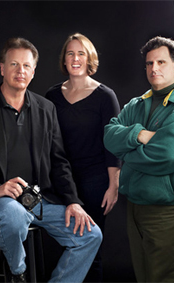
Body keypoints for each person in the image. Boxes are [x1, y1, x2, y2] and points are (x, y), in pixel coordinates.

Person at [0, 37, 103, 283]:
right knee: (14, 214)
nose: (21, 71)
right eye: (14, 64)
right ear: (2, 68)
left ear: (34, 71)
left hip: (40, 201)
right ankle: (19, 274)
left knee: (91, 235)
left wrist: (73, 201)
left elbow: (59, 161)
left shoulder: (46, 109)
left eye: (27, 66)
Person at [103, 36, 174, 282]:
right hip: (135, 207)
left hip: (166, 212)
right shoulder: (138, 104)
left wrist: (126, 152)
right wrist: (139, 134)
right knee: (144, 277)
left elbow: (168, 155)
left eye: (161, 62)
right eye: (149, 63)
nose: (153, 68)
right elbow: (108, 136)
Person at [45, 33, 121, 282]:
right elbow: (46, 144)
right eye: (70, 53)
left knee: (91, 248)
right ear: (64, 60)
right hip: (61, 183)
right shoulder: (52, 96)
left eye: (81, 53)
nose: (75, 58)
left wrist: (113, 185)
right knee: (63, 249)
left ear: (89, 59)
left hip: (95, 181)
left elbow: (112, 146)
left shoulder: (105, 96)